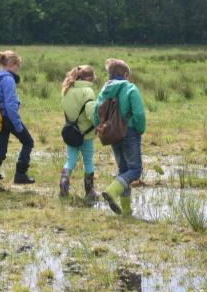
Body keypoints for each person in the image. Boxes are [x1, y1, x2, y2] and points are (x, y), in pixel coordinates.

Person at [93, 59, 146, 216]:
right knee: (135, 170)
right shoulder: (130, 88)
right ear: (126, 74)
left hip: (112, 134)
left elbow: (96, 110)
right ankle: (111, 191)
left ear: (110, 75)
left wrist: (100, 128)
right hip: (130, 133)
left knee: (123, 171)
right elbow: (139, 113)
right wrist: (139, 129)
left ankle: (126, 210)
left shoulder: (104, 90)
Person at [0, 51, 35, 191]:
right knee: (28, 142)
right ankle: (20, 174)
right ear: (12, 64)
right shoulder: (8, 80)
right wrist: (17, 124)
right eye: (17, 66)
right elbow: (11, 105)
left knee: (0, 151)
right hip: (9, 117)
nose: (18, 69)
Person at [59, 65, 98, 202]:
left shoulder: (67, 89)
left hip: (71, 133)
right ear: (88, 78)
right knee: (88, 161)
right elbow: (91, 112)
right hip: (86, 135)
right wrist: (99, 124)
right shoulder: (88, 91)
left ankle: (63, 184)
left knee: (70, 160)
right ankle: (90, 191)